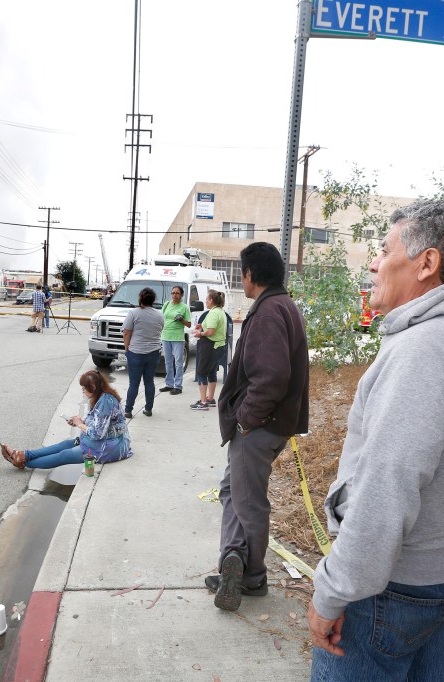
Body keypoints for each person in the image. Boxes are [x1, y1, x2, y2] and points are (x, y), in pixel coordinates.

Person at [307, 200, 444, 681]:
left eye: (384, 251)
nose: (375, 263)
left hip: (388, 594)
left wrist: (332, 593)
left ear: (427, 263)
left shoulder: (421, 353)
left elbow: (385, 491)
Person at [206, 242, 309, 612]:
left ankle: (252, 578)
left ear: (250, 275)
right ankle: (233, 558)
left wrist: (248, 420)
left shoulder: (267, 313)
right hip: (266, 425)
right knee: (233, 491)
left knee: (248, 503)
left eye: (242, 273)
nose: (242, 278)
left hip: (259, 427)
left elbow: (271, 378)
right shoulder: (281, 305)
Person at [0, 369, 132, 469]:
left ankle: (21, 461)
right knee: (64, 445)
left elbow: (97, 433)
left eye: (84, 389)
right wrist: (79, 421)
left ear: (93, 388)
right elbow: (99, 423)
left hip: (110, 447)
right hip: (103, 440)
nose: (83, 392)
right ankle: (23, 455)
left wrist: (80, 424)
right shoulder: (101, 397)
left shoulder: (105, 402)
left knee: (64, 455)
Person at [121, 286, 164, 419]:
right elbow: (160, 329)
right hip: (153, 352)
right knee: (149, 382)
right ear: (153, 300)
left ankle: (128, 410)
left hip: (136, 352)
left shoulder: (133, 313)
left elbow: (127, 332)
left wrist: (126, 348)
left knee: (134, 383)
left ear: (140, 298)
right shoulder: (159, 314)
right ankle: (148, 408)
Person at [190, 289, 227, 411]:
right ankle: (210, 398)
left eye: (206, 299)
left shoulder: (213, 313)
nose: (205, 302)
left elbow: (211, 332)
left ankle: (203, 402)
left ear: (211, 300)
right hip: (218, 346)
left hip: (211, 346)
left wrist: (199, 334)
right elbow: (212, 327)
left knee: (201, 373)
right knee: (211, 372)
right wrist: (202, 326)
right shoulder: (219, 311)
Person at [159, 285, 192, 395]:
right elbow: (161, 318)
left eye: (177, 293)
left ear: (181, 295)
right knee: (168, 361)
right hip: (165, 336)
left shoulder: (184, 307)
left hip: (178, 337)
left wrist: (181, 319)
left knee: (178, 362)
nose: (174, 295)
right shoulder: (167, 304)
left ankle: (178, 386)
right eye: (173, 293)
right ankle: (169, 384)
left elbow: (189, 324)